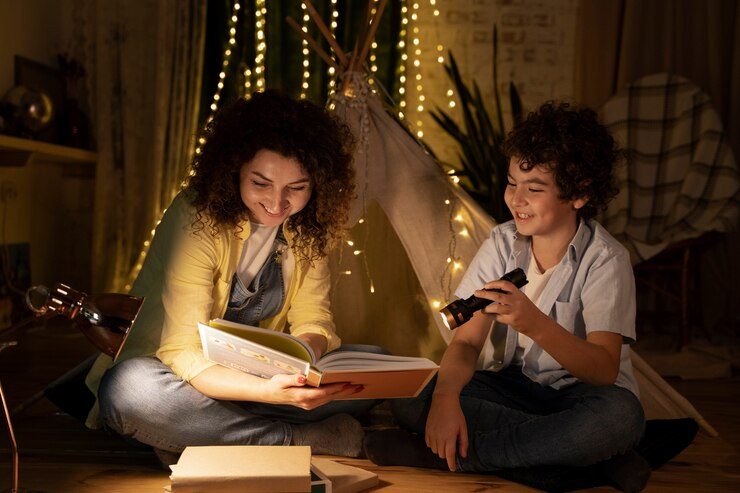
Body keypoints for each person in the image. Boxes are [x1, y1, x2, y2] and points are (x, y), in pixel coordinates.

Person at [363, 101, 650, 491]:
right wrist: (446, 399)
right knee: (410, 397)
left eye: (534, 188)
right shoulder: (501, 242)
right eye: (512, 182)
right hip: (517, 389)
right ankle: (581, 462)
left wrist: (533, 322)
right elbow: (466, 340)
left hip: (583, 397)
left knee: (619, 420)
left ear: (579, 194)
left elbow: (602, 370)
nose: (516, 199)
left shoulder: (606, 260)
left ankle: (445, 458)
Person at [84, 90, 380, 465]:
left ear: (317, 183)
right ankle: (296, 439)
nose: (277, 204)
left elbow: (314, 318)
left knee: (373, 363)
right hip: (180, 376)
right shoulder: (194, 218)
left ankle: (201, 435)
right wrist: (271, 393)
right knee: (128, 391)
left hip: (261, 382)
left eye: (297, 188)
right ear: (234, 169)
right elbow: (181, 351)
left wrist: (304, 360)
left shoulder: (310, 227)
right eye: (261, 184)